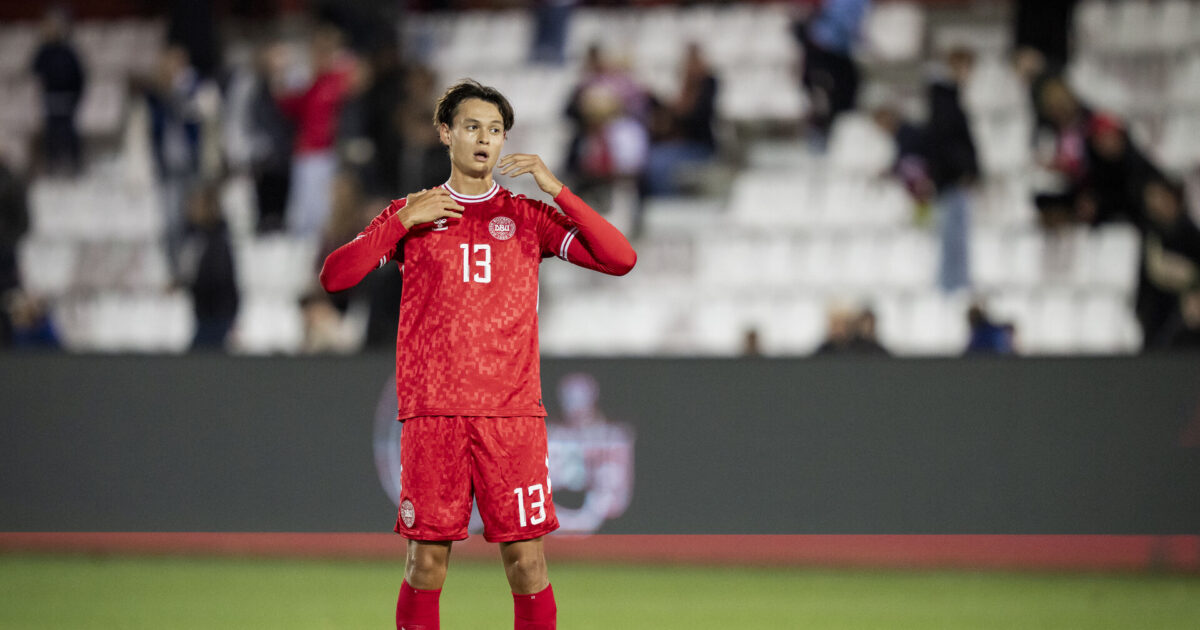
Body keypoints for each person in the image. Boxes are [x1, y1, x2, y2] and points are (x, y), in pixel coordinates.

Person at [319, 79, 636, 630]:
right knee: (426, 563)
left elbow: (620, 257)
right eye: (472, 127)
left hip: (511, 417)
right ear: (446, 133)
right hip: (433, 417)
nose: (485, 139)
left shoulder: (528, 216)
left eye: (495, 130)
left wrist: (557, 189)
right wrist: (400, 222)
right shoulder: (413, 213)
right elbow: (334, 277)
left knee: (527, 564)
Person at [31, 7, 85, 177]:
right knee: (51, 136)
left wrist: (75, 98)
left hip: (67, 99)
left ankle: (74, 166)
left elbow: (80, 77)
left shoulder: (69, 52)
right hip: (50, 99)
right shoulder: (44, 51)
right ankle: (52, 166)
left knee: (69, 134)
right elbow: (34, 70)